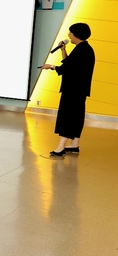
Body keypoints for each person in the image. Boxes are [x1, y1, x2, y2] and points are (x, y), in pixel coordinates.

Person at [40, 22, 95, 157]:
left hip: (74, 89)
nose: (69, 35)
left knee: (68, 116)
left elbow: (65, 69)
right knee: (76, 116)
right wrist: (63, 50)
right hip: (78, 89)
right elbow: (69, 63)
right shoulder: (83, 48)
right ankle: (74, 144)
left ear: (76, 34)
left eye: (70, 33)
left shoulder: (82, 50)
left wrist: (51, 66)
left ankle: (60, 147)